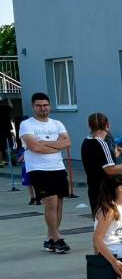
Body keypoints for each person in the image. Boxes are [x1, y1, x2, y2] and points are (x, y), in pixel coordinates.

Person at [19, 92, 72, 254]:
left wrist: (45, 144)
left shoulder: (57, 124)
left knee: (59, 204)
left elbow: (67, 143)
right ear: (33, 107)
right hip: (39, 169)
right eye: (39, 105)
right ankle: (57, 239)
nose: (43, 108)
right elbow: (34, 147)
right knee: (50, 203)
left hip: (58, 168)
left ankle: (50, 239)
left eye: (45, 105)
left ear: (49, 106)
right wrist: (56, 145)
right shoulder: (27, 125)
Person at [81, 113, 122, 217]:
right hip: (106, 189)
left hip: (93, 188)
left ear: (89, 126)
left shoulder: (86, 142)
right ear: (107, 125)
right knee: (110, 220)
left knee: (99, 219)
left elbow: (98, 162)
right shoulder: (102, 143)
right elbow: (110, 170)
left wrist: (114, 155)